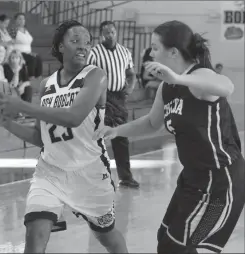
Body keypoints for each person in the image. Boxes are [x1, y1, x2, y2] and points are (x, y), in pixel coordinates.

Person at [94, 20, 244, 254]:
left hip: (220, 181)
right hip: (193, 178)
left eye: (154, 47)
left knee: (177, 247)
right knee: (167, 240)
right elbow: (153, 123)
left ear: (172, 52)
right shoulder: (167, 87)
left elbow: (227, 87)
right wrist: (116, 130)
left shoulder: (199, 76)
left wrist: (179, 78)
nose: (150, 53)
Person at [0, 20, 128, 253]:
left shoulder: (96, 76)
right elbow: (39, 137)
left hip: (90, 172)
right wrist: (5, 121)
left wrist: (22, 106)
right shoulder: (46, 85)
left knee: (107, 237)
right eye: (75, 41)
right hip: (50, 170)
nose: (83, 46)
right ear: (61, 47)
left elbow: (73, 117)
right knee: (36, 232)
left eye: (87, 43)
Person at [87, 21, 139, 188]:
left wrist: (129, 88)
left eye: (112, 32)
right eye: (105, 32)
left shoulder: (125, 51)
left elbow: (131, 74)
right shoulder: (94, 52)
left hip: (119, 98)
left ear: (116, 32)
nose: (109, 35)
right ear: (101, 34)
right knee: (96, 137)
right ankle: (93, 177)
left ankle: (126, 176)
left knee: (121, 136)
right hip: (101, 98)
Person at [9, 13, 42, 80]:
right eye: (20, 19)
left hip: (28, 52)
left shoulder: (26, 30)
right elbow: (10, 42)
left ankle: (38, 77)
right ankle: (31, 77)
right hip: (18, 53)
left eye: (23, 19)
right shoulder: (13, 30)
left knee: (38, 57)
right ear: (15, 20)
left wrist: (30, 52)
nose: (22, 20)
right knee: (32, 58)